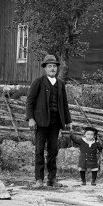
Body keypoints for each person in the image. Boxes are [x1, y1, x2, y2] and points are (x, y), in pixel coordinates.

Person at [25, 54, 72, 188]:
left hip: (55, 123)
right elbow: (30, 101)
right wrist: (31, 118)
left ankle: (52, 179)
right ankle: (39, 179)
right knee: (39, 150)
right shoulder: (38, 82)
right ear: (45, 68)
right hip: (40, 122)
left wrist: (68, 121)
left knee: (53, 151)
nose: (52, 68)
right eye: (49, 66)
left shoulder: (60, 84)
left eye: (54, 66)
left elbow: (64, 104)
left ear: (57, 69)